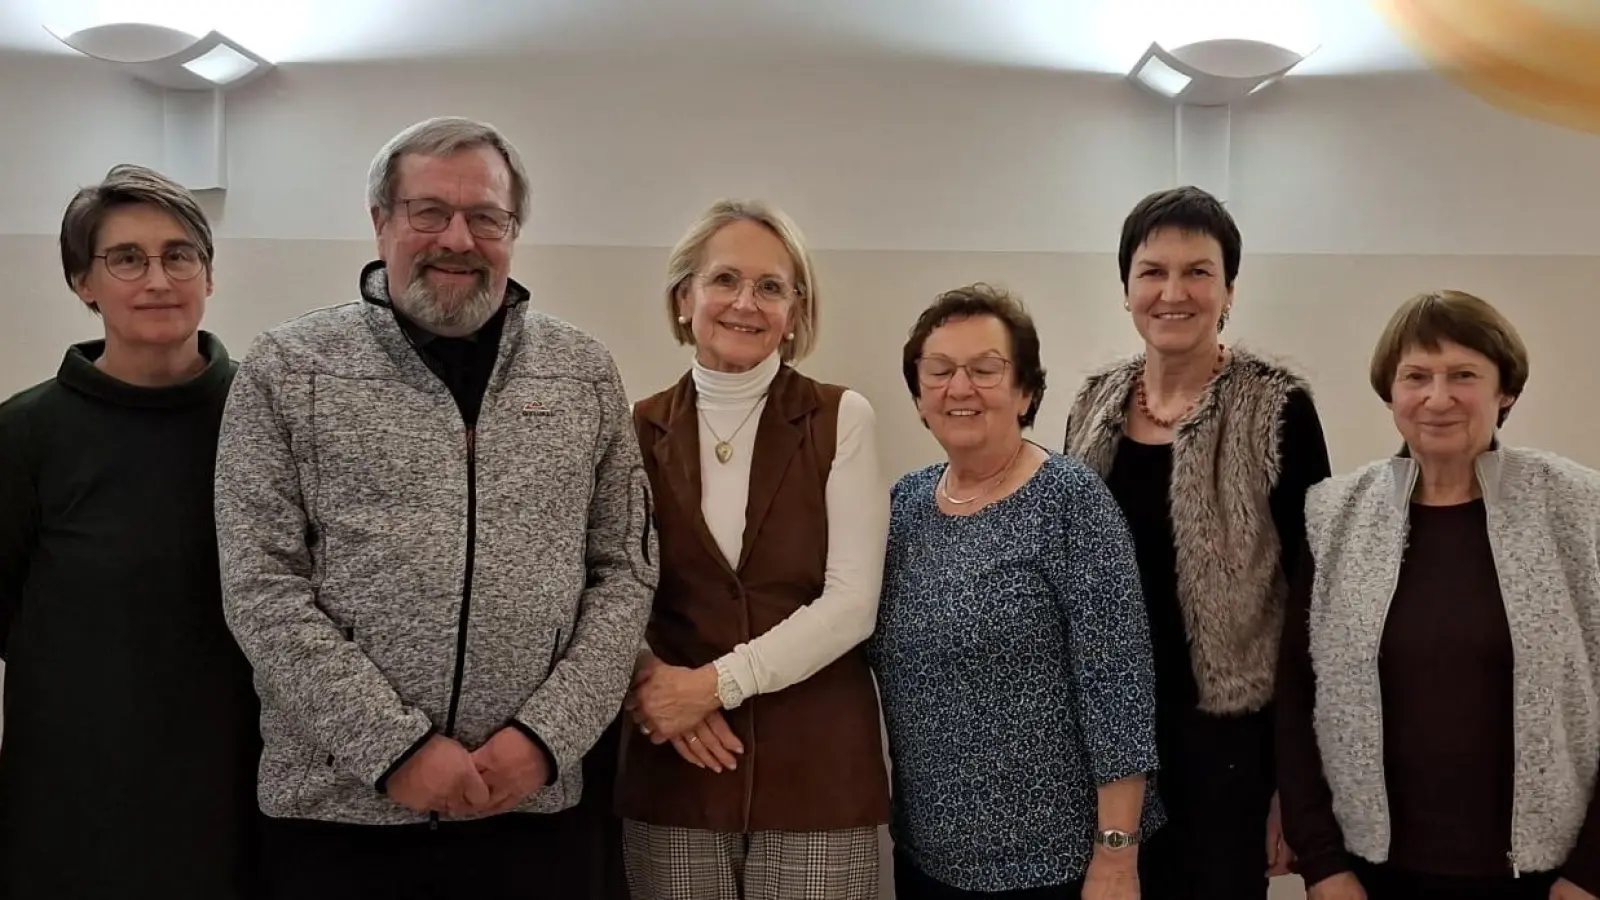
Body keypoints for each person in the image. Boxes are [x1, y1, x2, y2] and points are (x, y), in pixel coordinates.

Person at [213, 116, 657, 900]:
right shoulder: (289, 368)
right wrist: (393, 748)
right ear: (381, 220)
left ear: (513, 230)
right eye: (428, 212)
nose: (458, 237)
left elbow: (623, 571)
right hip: (338, 818)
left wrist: (546, 740)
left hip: (532, 810)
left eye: (486, 216)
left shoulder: (583, 372)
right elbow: (261, 584)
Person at [1277, 290, 1600, 900]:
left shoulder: (1579, 510)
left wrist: (1590, 873)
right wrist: (1321, 863)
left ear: (1506, 390)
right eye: (1416, 376)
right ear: (1391, 394)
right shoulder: (1334, 514)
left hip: (1546, 879)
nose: (1438, 397)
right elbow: (1297, 695)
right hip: (1374, 875)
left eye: (1464, 375)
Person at [1062, 185, 1332, 900]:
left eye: (1197, 272)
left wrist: (1294, 788)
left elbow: (1315, 601)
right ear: (1126, 290)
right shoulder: (1090, 405)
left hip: (1229, 749)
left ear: (1229, 290)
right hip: (1104, 740)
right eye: (1152, 272)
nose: (1173, 292)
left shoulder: (1278, 408)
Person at [0, 164, 263, 899]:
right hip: (76, 792)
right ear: (83, 282)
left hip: (238, 777)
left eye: (180, 254)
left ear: (208, 275)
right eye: (126, 259)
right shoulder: (27, 432)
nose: (159, 278)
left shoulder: (267, 415)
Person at [617, 198, 890, 900]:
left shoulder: (839, 418)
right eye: (724, 280)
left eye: (772, 287)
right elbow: (608, 590)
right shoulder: (634, 428)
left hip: (816, 774)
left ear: (796, 311)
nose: (747, 303)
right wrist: (657, 690)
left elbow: (853, 604)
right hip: (674, 769)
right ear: (685, 299)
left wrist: (711, 686)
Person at [872, 283, 1160, 900]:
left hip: (1059, 864)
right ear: (920, 397)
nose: (960, 388)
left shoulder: (1070, 500)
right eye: (940, 371)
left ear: (1025, 391)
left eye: (985, 369)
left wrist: (1116, 855)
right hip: (927, 860)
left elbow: (1119, 687)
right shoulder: (903, 507)